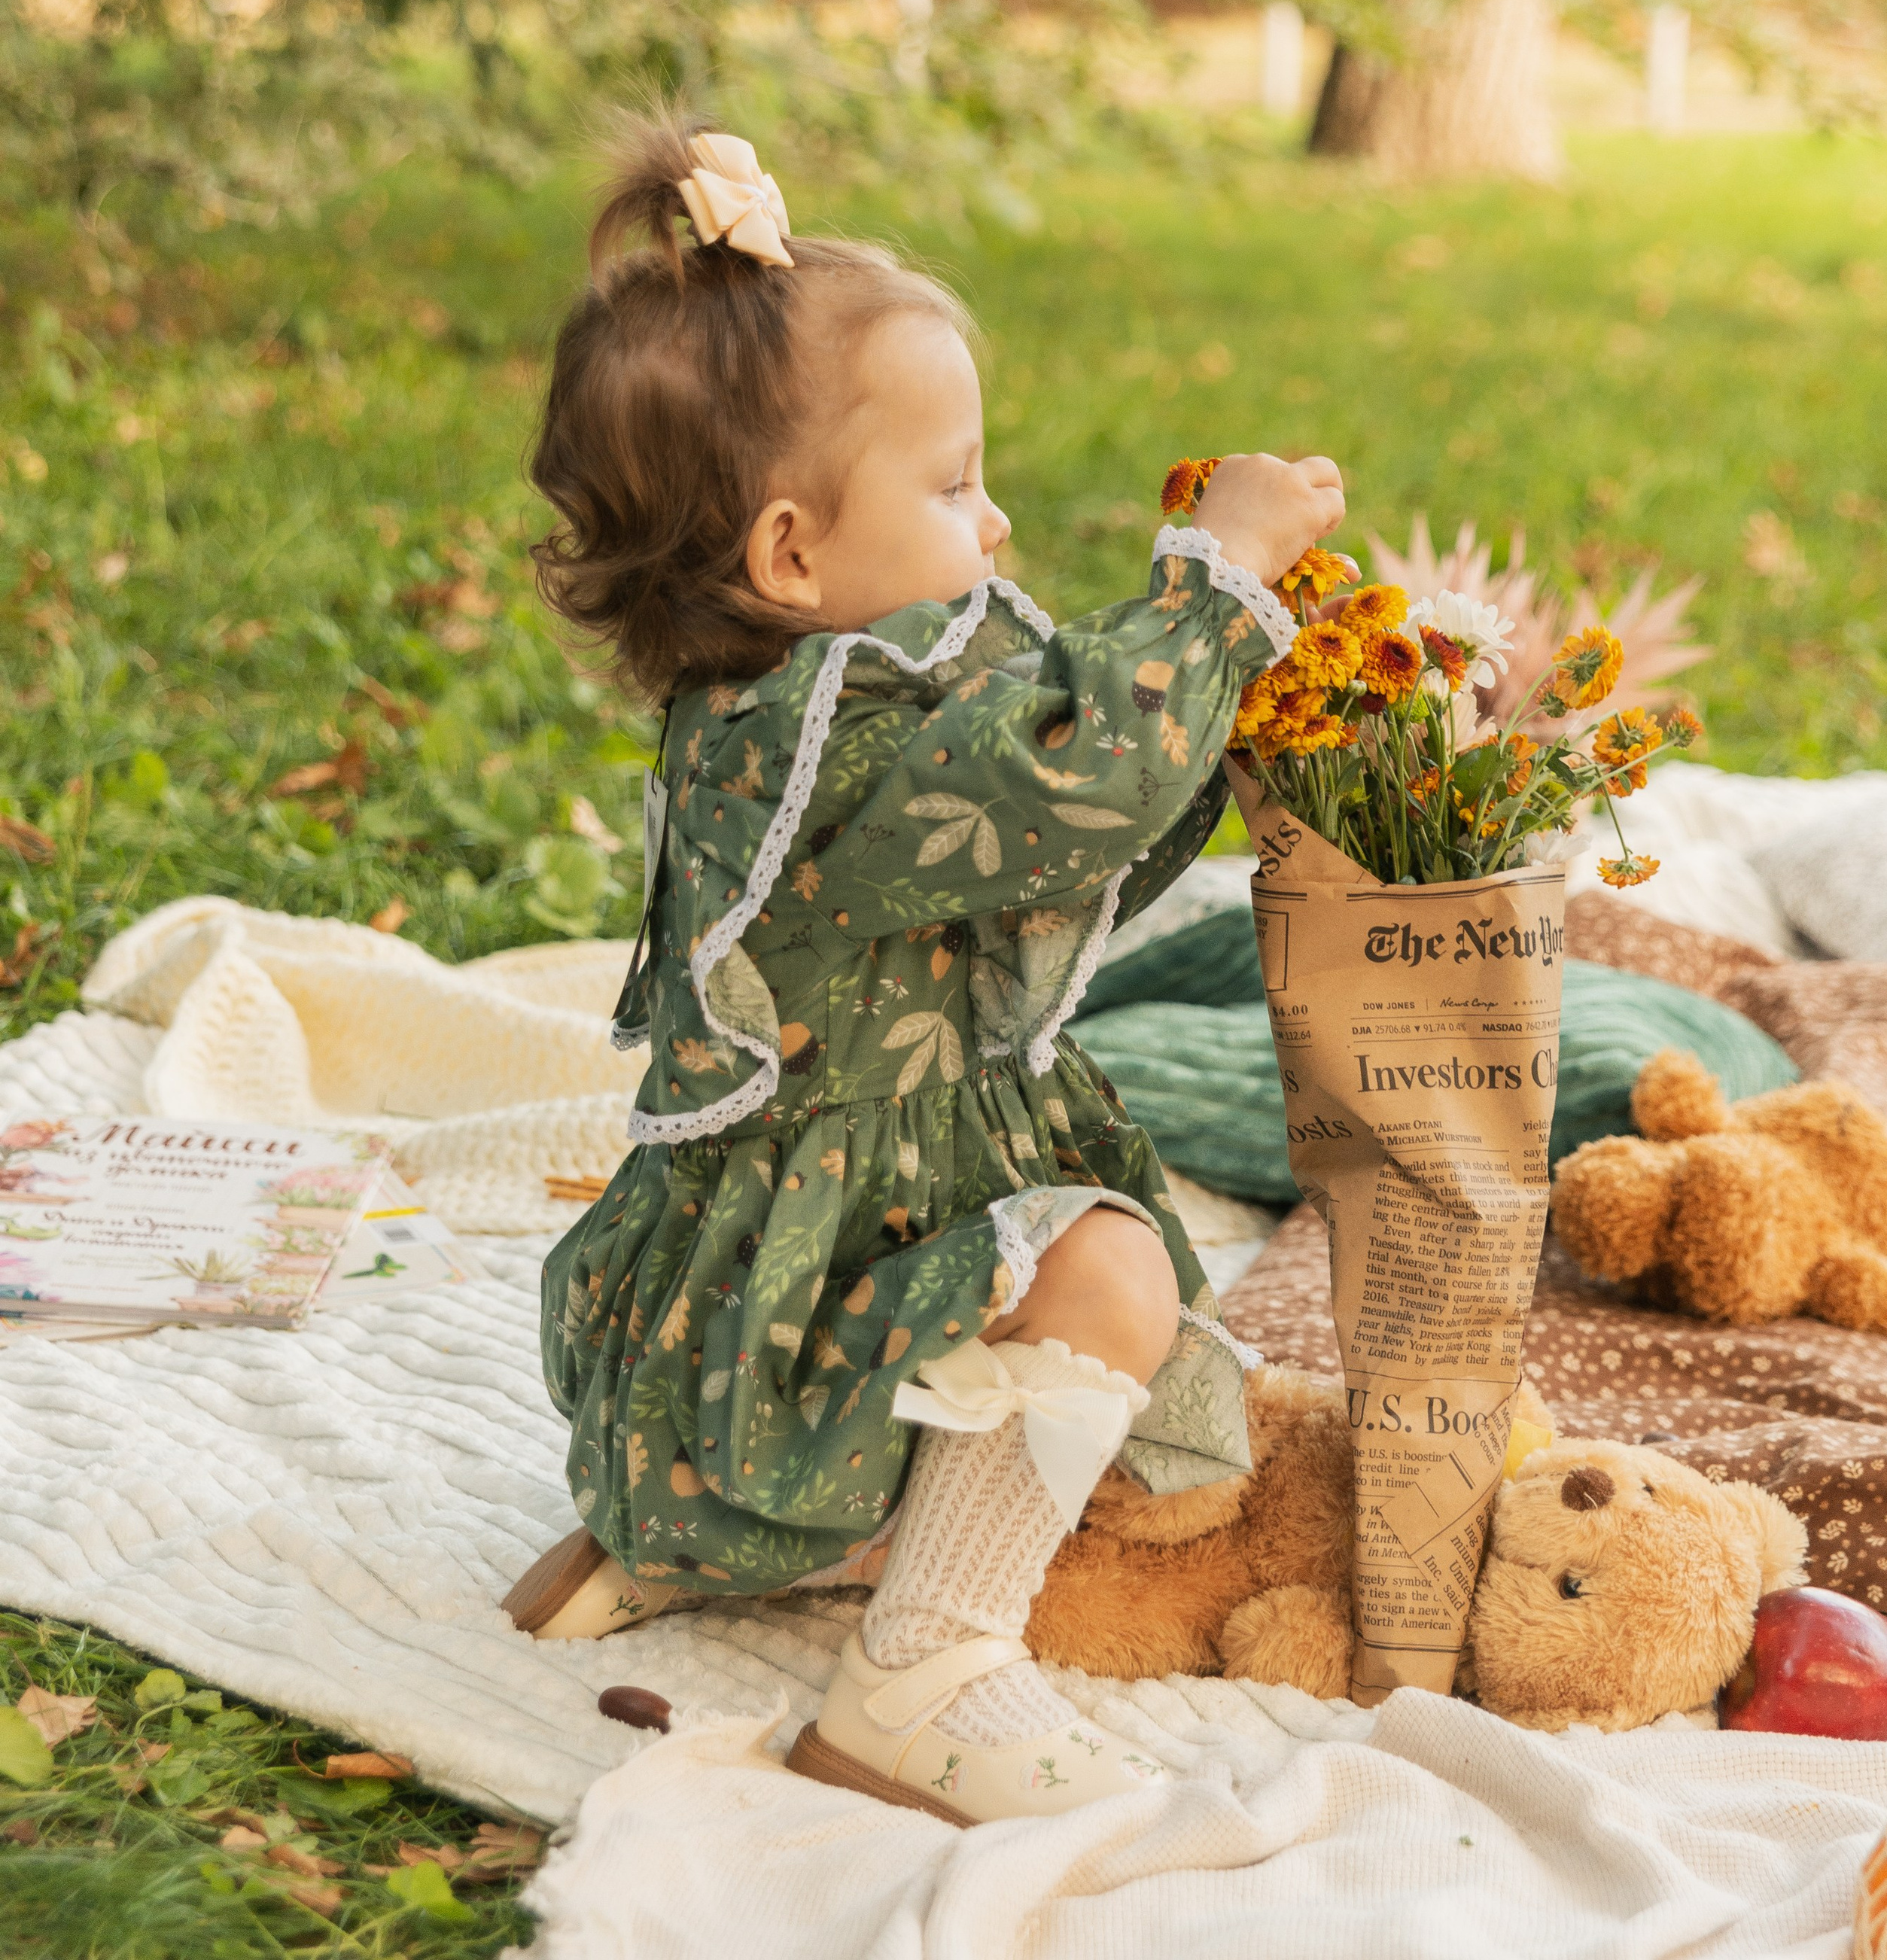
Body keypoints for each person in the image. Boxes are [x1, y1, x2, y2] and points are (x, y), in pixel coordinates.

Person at [510, 113, 1344, 1827]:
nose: (999, 514)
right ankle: (925, 1668)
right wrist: (1216, 584)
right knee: (1102, 1266)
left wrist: (1231, 731)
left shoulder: (784, 706)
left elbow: (1059, 826)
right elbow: (1062, 777)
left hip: (730, 1322)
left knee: (1016, 1280)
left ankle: (681, 1532)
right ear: (792, 556)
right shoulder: (832, 745)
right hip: (793, 1304)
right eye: (954, 483)